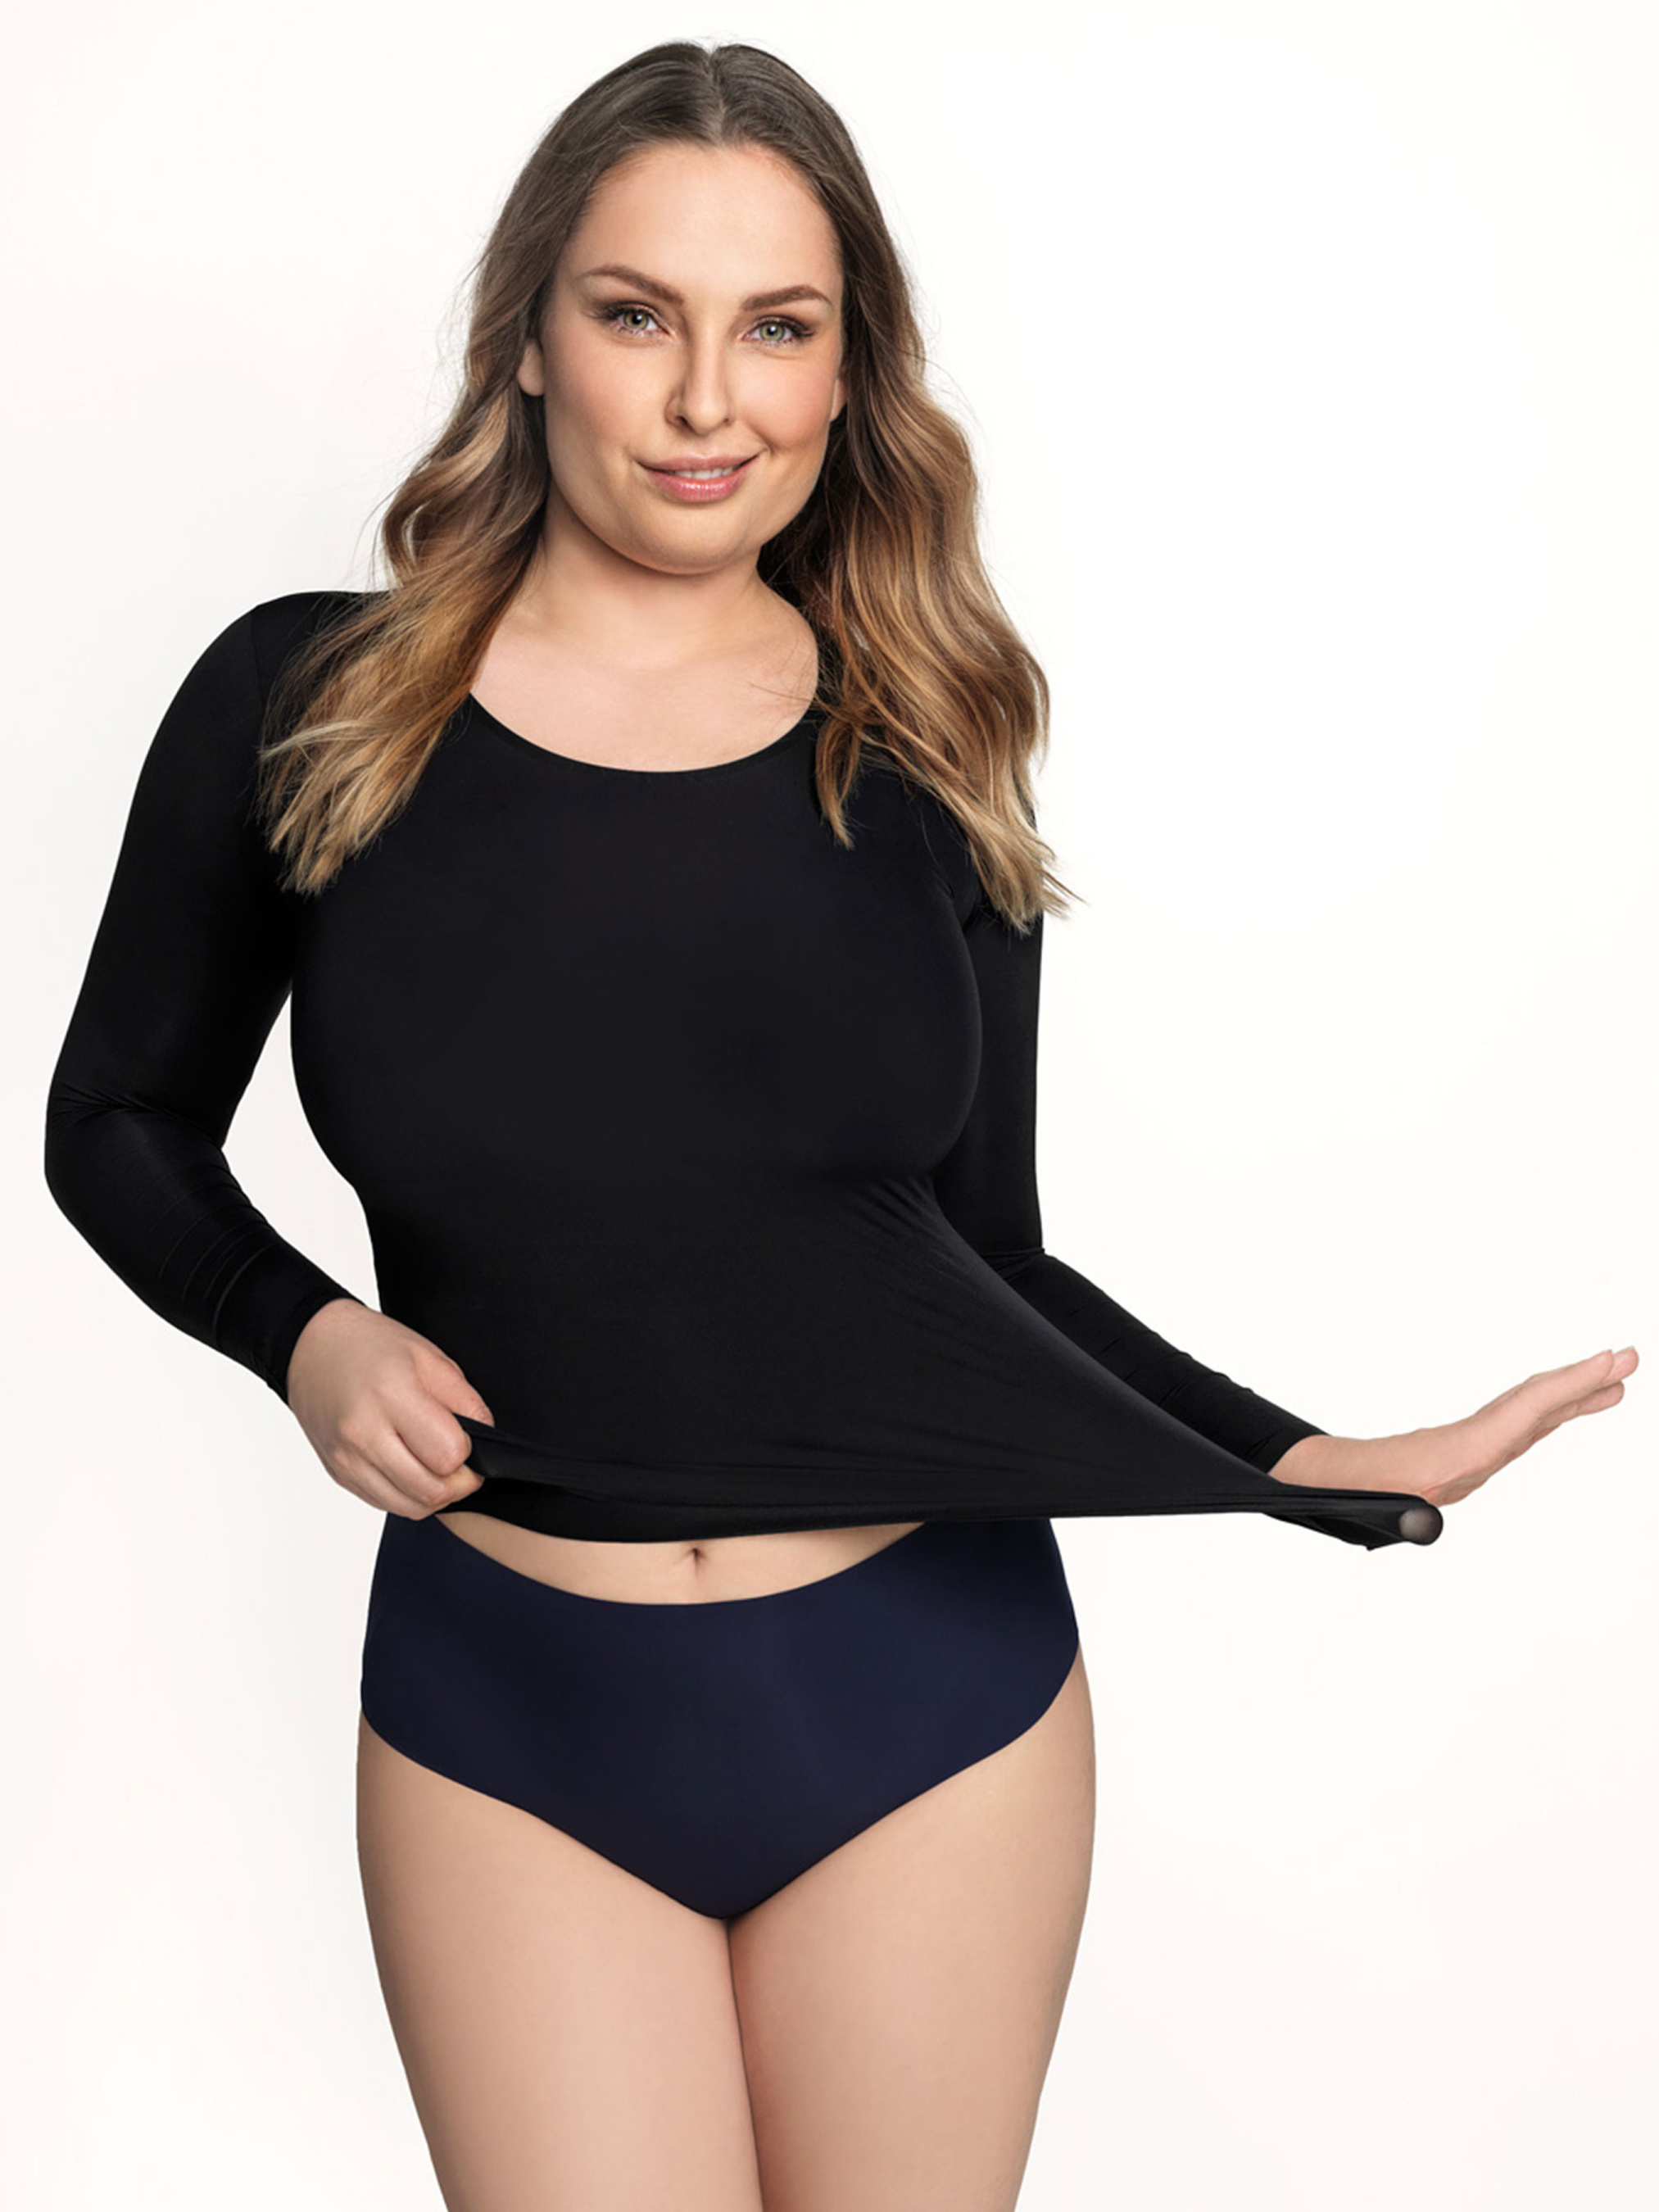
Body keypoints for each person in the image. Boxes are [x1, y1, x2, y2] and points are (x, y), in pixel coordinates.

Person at [43, 39, 1636, 2212]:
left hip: (926, 1707)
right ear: (531, 337)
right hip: (507, 1711)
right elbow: (119, 1117)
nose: (707, 399)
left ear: (846, 367)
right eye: (638, 314)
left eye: (777, 328)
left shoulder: (927, 741)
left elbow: (984, 1264)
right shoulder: (312, 705)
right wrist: (298, 1330)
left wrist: (1301, 1460)